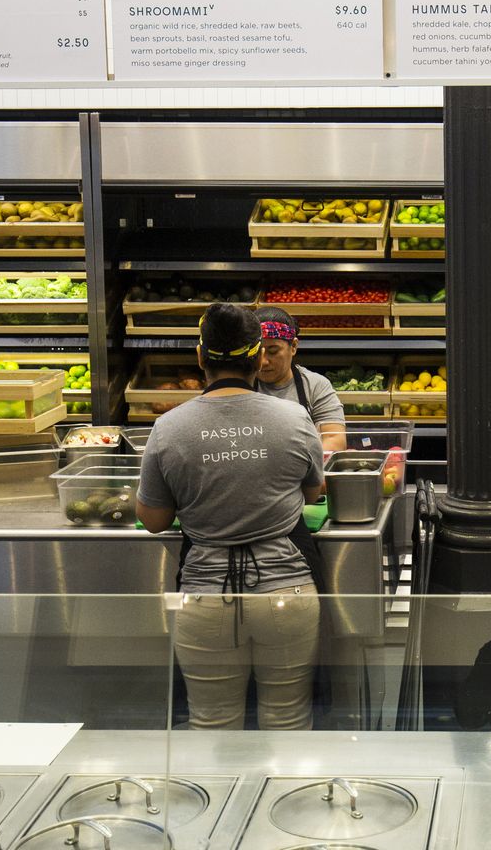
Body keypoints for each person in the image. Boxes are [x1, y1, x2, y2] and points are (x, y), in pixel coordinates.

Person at [135, 303, 326, 731]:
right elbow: (314, 492)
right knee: (288, 719)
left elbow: (153, 519)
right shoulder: (294, 419)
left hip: (204, 595)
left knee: (212, 724)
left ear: (200, 357)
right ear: (259, 357)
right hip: (287, 590)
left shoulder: (169, 427)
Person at [254, 307, 347, 452]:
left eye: (273, 351)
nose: (264, 361)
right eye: (257, 352)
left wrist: (296, 468)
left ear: (294, 347)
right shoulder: (240, 384)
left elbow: (334, 440)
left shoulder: (315, 386)